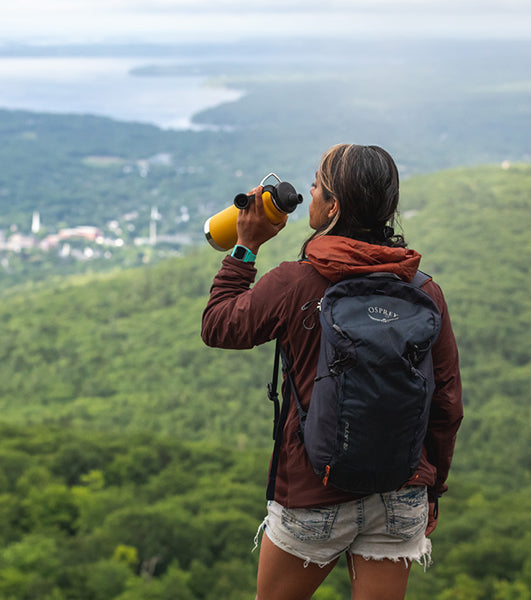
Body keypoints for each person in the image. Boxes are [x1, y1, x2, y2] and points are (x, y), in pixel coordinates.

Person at [201, 144, 463, 600]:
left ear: (333, 206)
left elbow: (219, 325)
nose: (310, 191)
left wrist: (245, 246)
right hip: (402, 494)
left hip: (312, 492)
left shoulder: (295, 282)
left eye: (317, 185)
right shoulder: (424, 291)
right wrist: (432, 487)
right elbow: (446, 404)